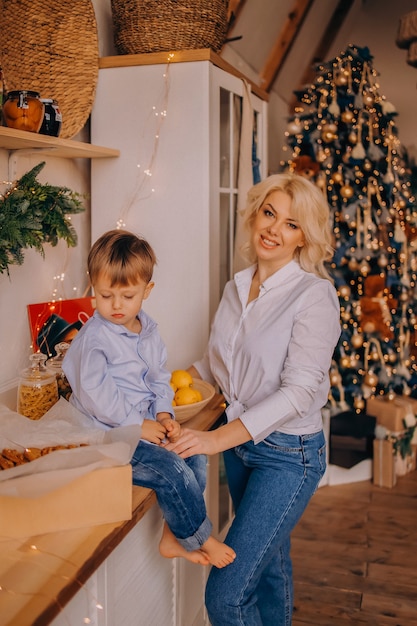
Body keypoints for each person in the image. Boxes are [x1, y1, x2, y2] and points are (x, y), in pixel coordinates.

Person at [164, 173, 341, 625]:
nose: (273, 229)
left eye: (291, 223)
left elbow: (299, 392)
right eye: (269, 214)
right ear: (255, 214)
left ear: (305, 237)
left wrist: (213, 440)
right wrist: (163, 391)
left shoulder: (314, 296)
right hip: (244, 450)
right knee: (269, 569)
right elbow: (215, 365)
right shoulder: (236, 287)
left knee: (225, 596)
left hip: (288, 456)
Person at [63, 229, 236, 569]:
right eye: (105, 294)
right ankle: (200, 538)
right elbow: (98, 397)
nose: (115, 305)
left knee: (192, 453)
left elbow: (159, 377)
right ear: (92, 287)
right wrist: (137, 425)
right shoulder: (94, 339)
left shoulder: (149, 329)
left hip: (143, 425)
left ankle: (174, 536)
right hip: (106, 434)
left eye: (127, 296)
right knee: (169, 470)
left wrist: (164, 414)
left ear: (147, 291)